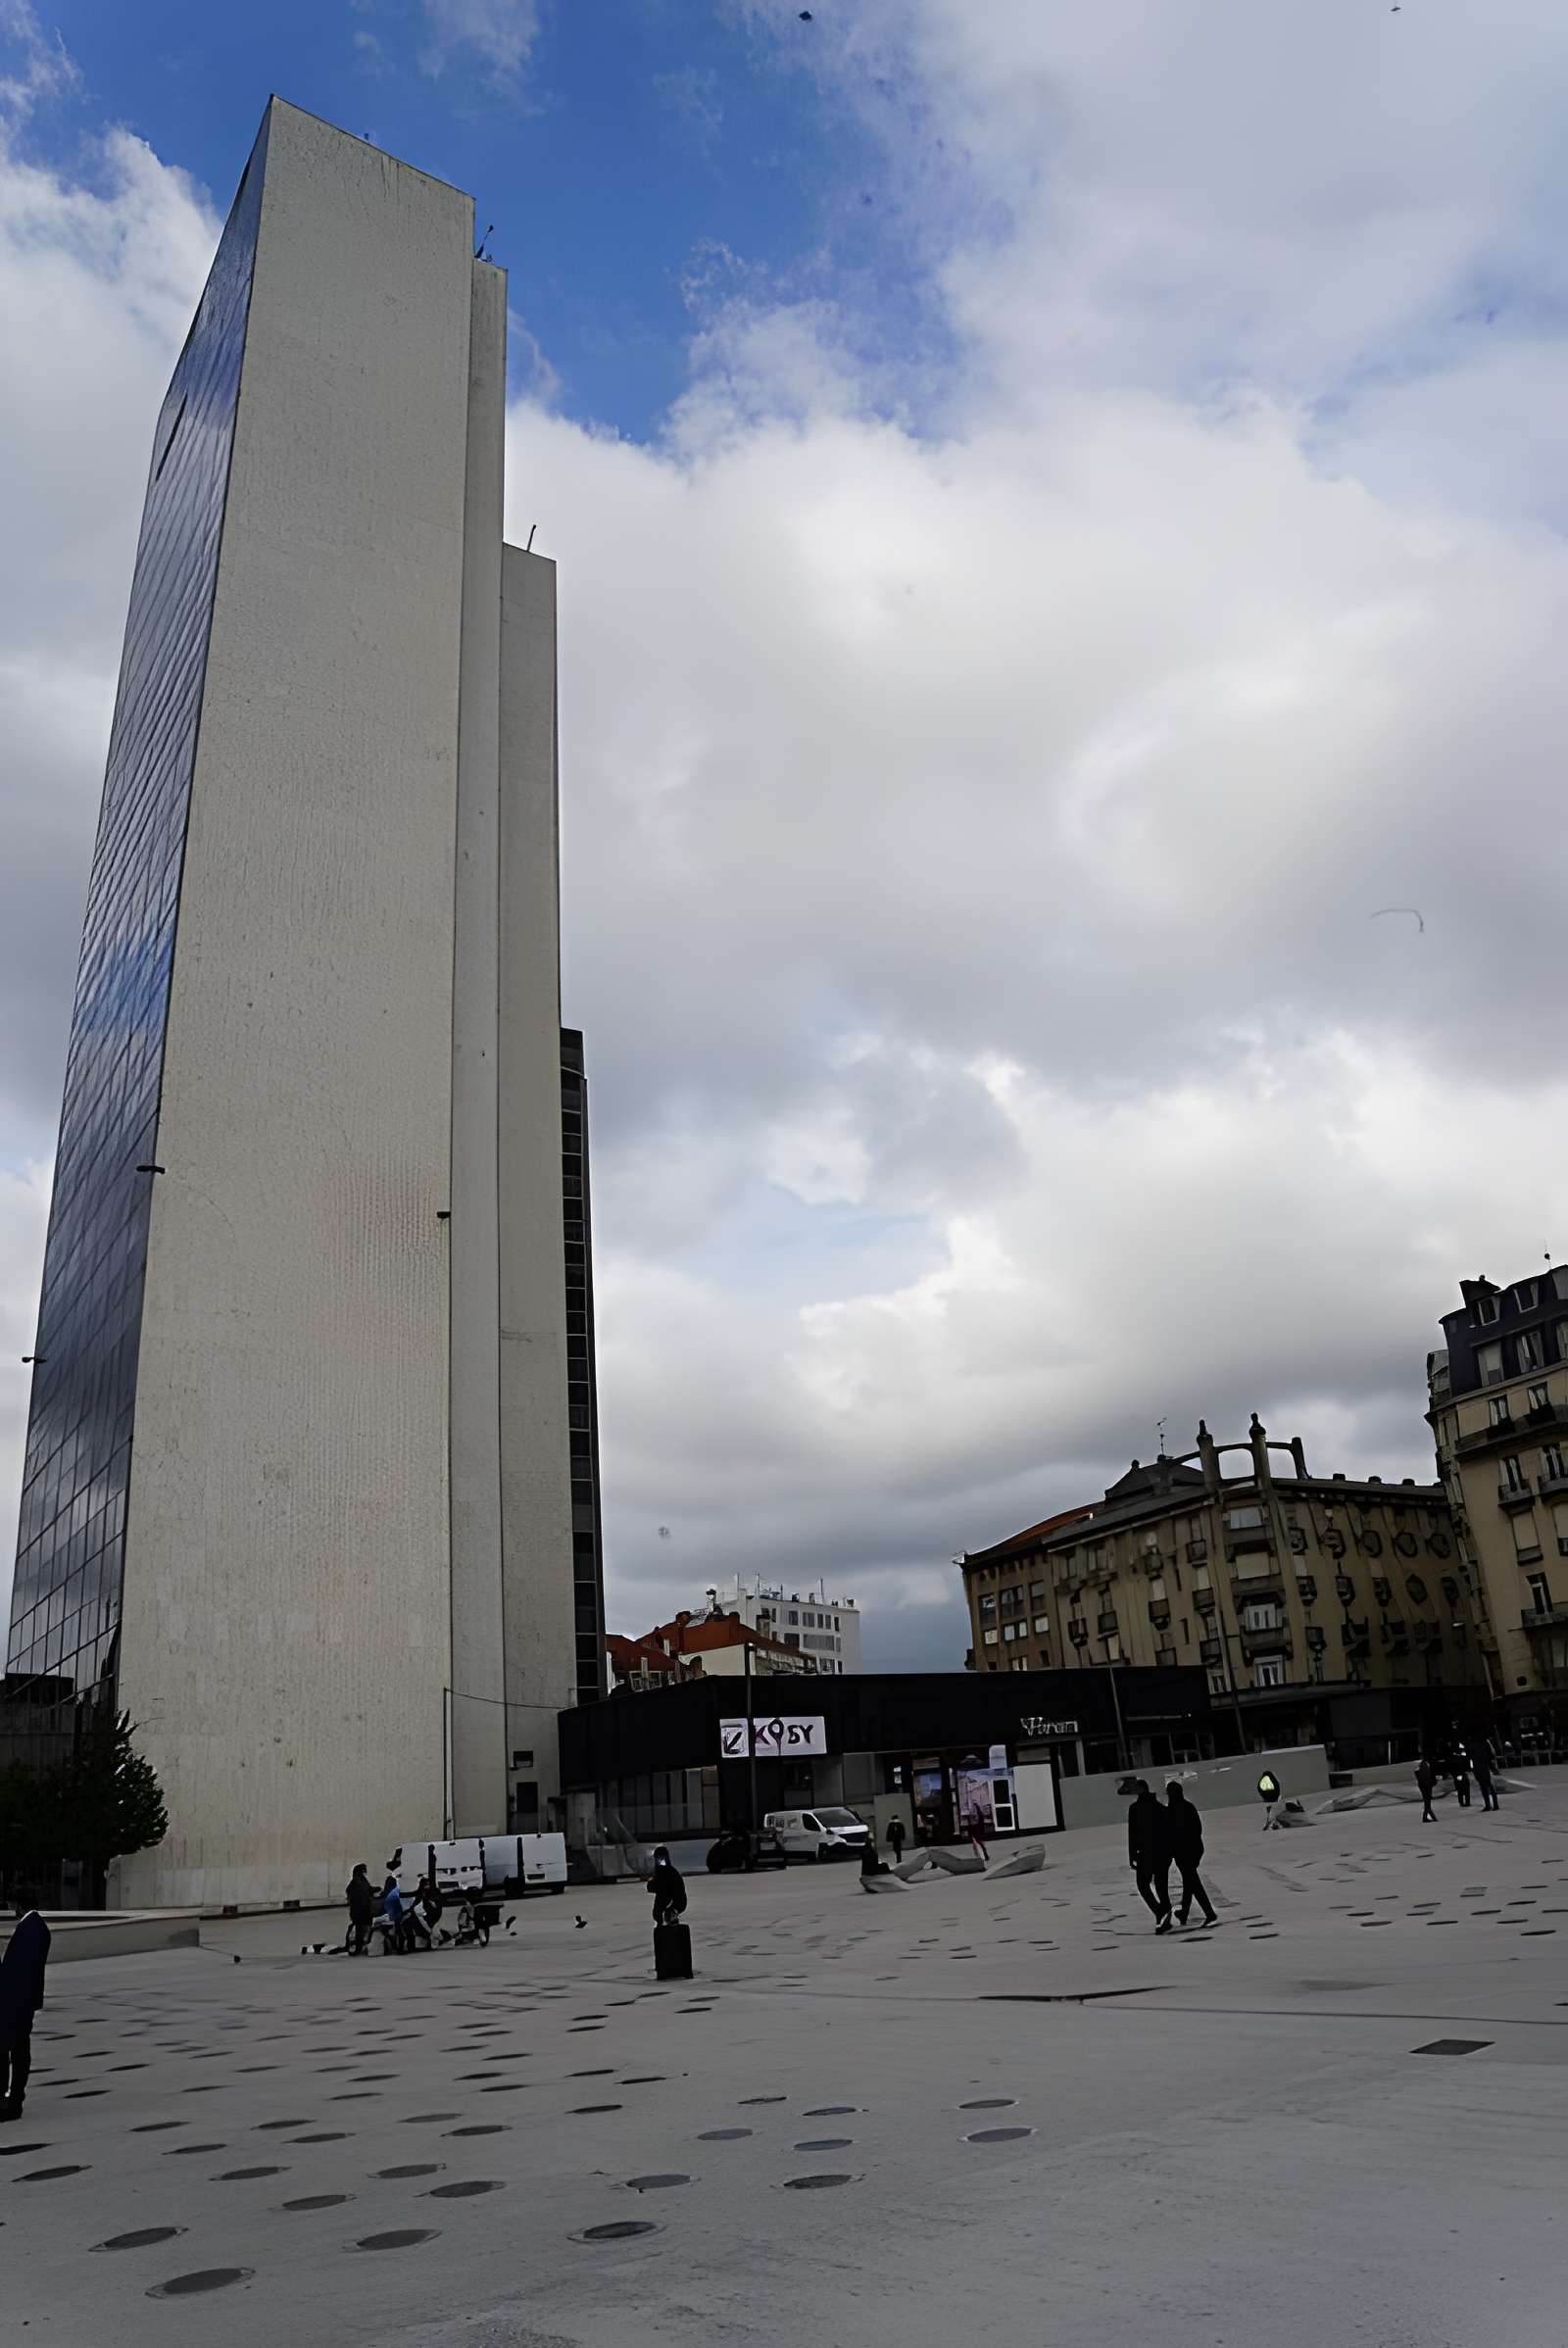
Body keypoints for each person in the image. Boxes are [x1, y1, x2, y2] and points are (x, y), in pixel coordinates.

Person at [1, 1886, 51, 2121]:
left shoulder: (31, 1928)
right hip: (19, 2000)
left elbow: (20, 1970)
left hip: (16, 2002)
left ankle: (12, 2101)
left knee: (16, 2050)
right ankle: (10, 2099)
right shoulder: (34, 1926)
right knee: (17, 2049)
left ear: (18, 1905)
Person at [1164, 1784, 1218, 1928]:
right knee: (1190, 1880)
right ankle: (1185, 1912)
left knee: (1193, 1882)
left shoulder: (1170, 1811)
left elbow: (1170, 1834)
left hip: (1182, 1852)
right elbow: (1197, 1828)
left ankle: (1209, 1913)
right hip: (1194, 1850)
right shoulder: (1188, 1806)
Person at [1127, 1780, 1172, 1932]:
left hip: (1146, 1853)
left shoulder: (1135, 1809)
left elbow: (1132, 1834)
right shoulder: (1158, 1807)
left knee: (1144, 1885)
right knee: (1160, 1886)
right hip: (1160, 1852)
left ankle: (1161, 1912)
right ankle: (1163, 1911)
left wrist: (1132, 1855)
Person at [648, 1846, 687, 1927]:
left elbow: (678, 1894)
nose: (661, 1861)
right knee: (658, 1914)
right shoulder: (659, 1873)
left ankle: (671, 1918)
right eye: (658, 1859)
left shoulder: (671, 1873)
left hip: (676, 1901)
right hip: (666, 1901)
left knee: (666, 1913)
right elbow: (652, 1887)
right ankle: (665, 1922)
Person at [345, 1863, 376, 1955]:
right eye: (364, 1870)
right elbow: (368, 1890)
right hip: (361, 1909)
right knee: (361, 1929)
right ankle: (360, 1947)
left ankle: (359, 1947)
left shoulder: (358, 1881)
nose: (365, 1872)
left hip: (360, 1909)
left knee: (360, 1928)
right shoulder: (358, 1881)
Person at [1472, 1740, 1499, 1812]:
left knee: (1485, 1786)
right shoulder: (1485, 1742)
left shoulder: (1474, 1743)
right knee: (1489, 1786)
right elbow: (1491, 1755)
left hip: (1480, 1767)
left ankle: (1488, 1805)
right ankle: (1494, 1804)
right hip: (1484, 1766)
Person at [1415, 1754, 1437, 1824]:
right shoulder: (1424, 1765)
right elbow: (1425, 1777)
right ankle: (1427, 1817)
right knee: (1427, 1803)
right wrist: (1429, 1784)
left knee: (1427, 1803)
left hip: (1425, 1786)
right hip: (1426, 1787)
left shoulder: (1423, 1765)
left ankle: (1428, 1817)